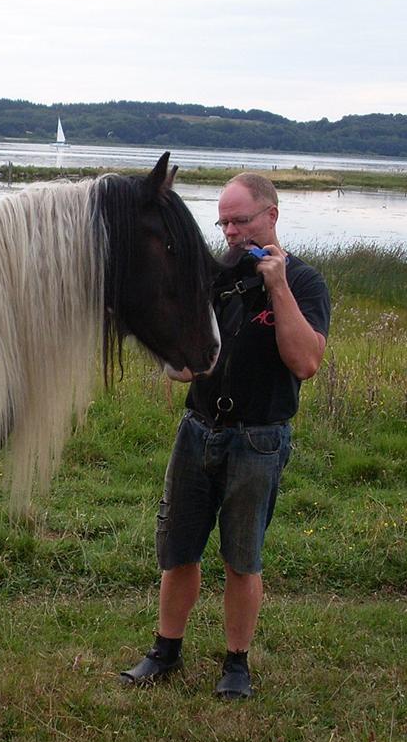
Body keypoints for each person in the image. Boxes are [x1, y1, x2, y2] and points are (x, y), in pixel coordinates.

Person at [120, 172, 331, 699]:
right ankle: (165, 651)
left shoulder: (304, 283)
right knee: (178, 549)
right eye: (224, 222)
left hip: (259, 440)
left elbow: (305, 362)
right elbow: (185, 354)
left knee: (242, 558)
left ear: (271, 216)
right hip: (198, 431)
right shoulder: (213, 277)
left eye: (241, 221)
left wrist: (276, 286)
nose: (232, 232)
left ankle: (236, 664)